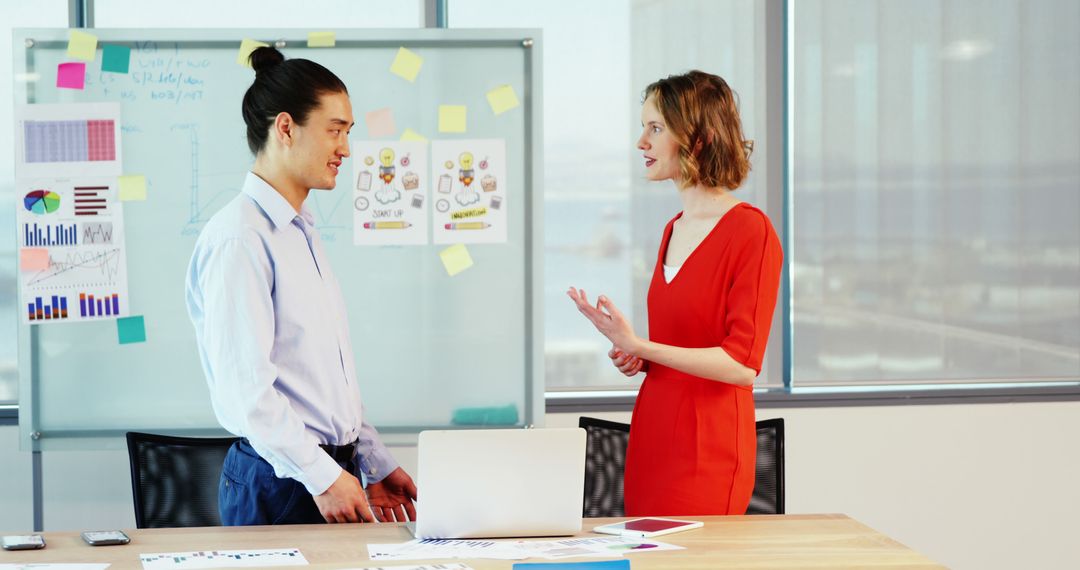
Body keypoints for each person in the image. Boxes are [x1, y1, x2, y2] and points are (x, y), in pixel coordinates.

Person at [185, 46, 417, 525]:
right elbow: (246, 394)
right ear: (286, 128)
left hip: (326, 472)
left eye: (348, 133)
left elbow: (328, 382)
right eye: (335, 130)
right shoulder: (241, 238)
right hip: (284, 482)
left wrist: (373, 460)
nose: (346, 150)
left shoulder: (301, 232)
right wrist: (323, 476)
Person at [568, 70, 782, 516]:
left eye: (655, 128)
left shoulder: (750, 231)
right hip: (652, 441)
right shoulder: (673, 229)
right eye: (643, 127)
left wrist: (641, 345)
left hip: (709, 452)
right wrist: (636, 355)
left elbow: (743, 366)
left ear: (697, 138)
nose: (640, 142)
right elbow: (682, 342)